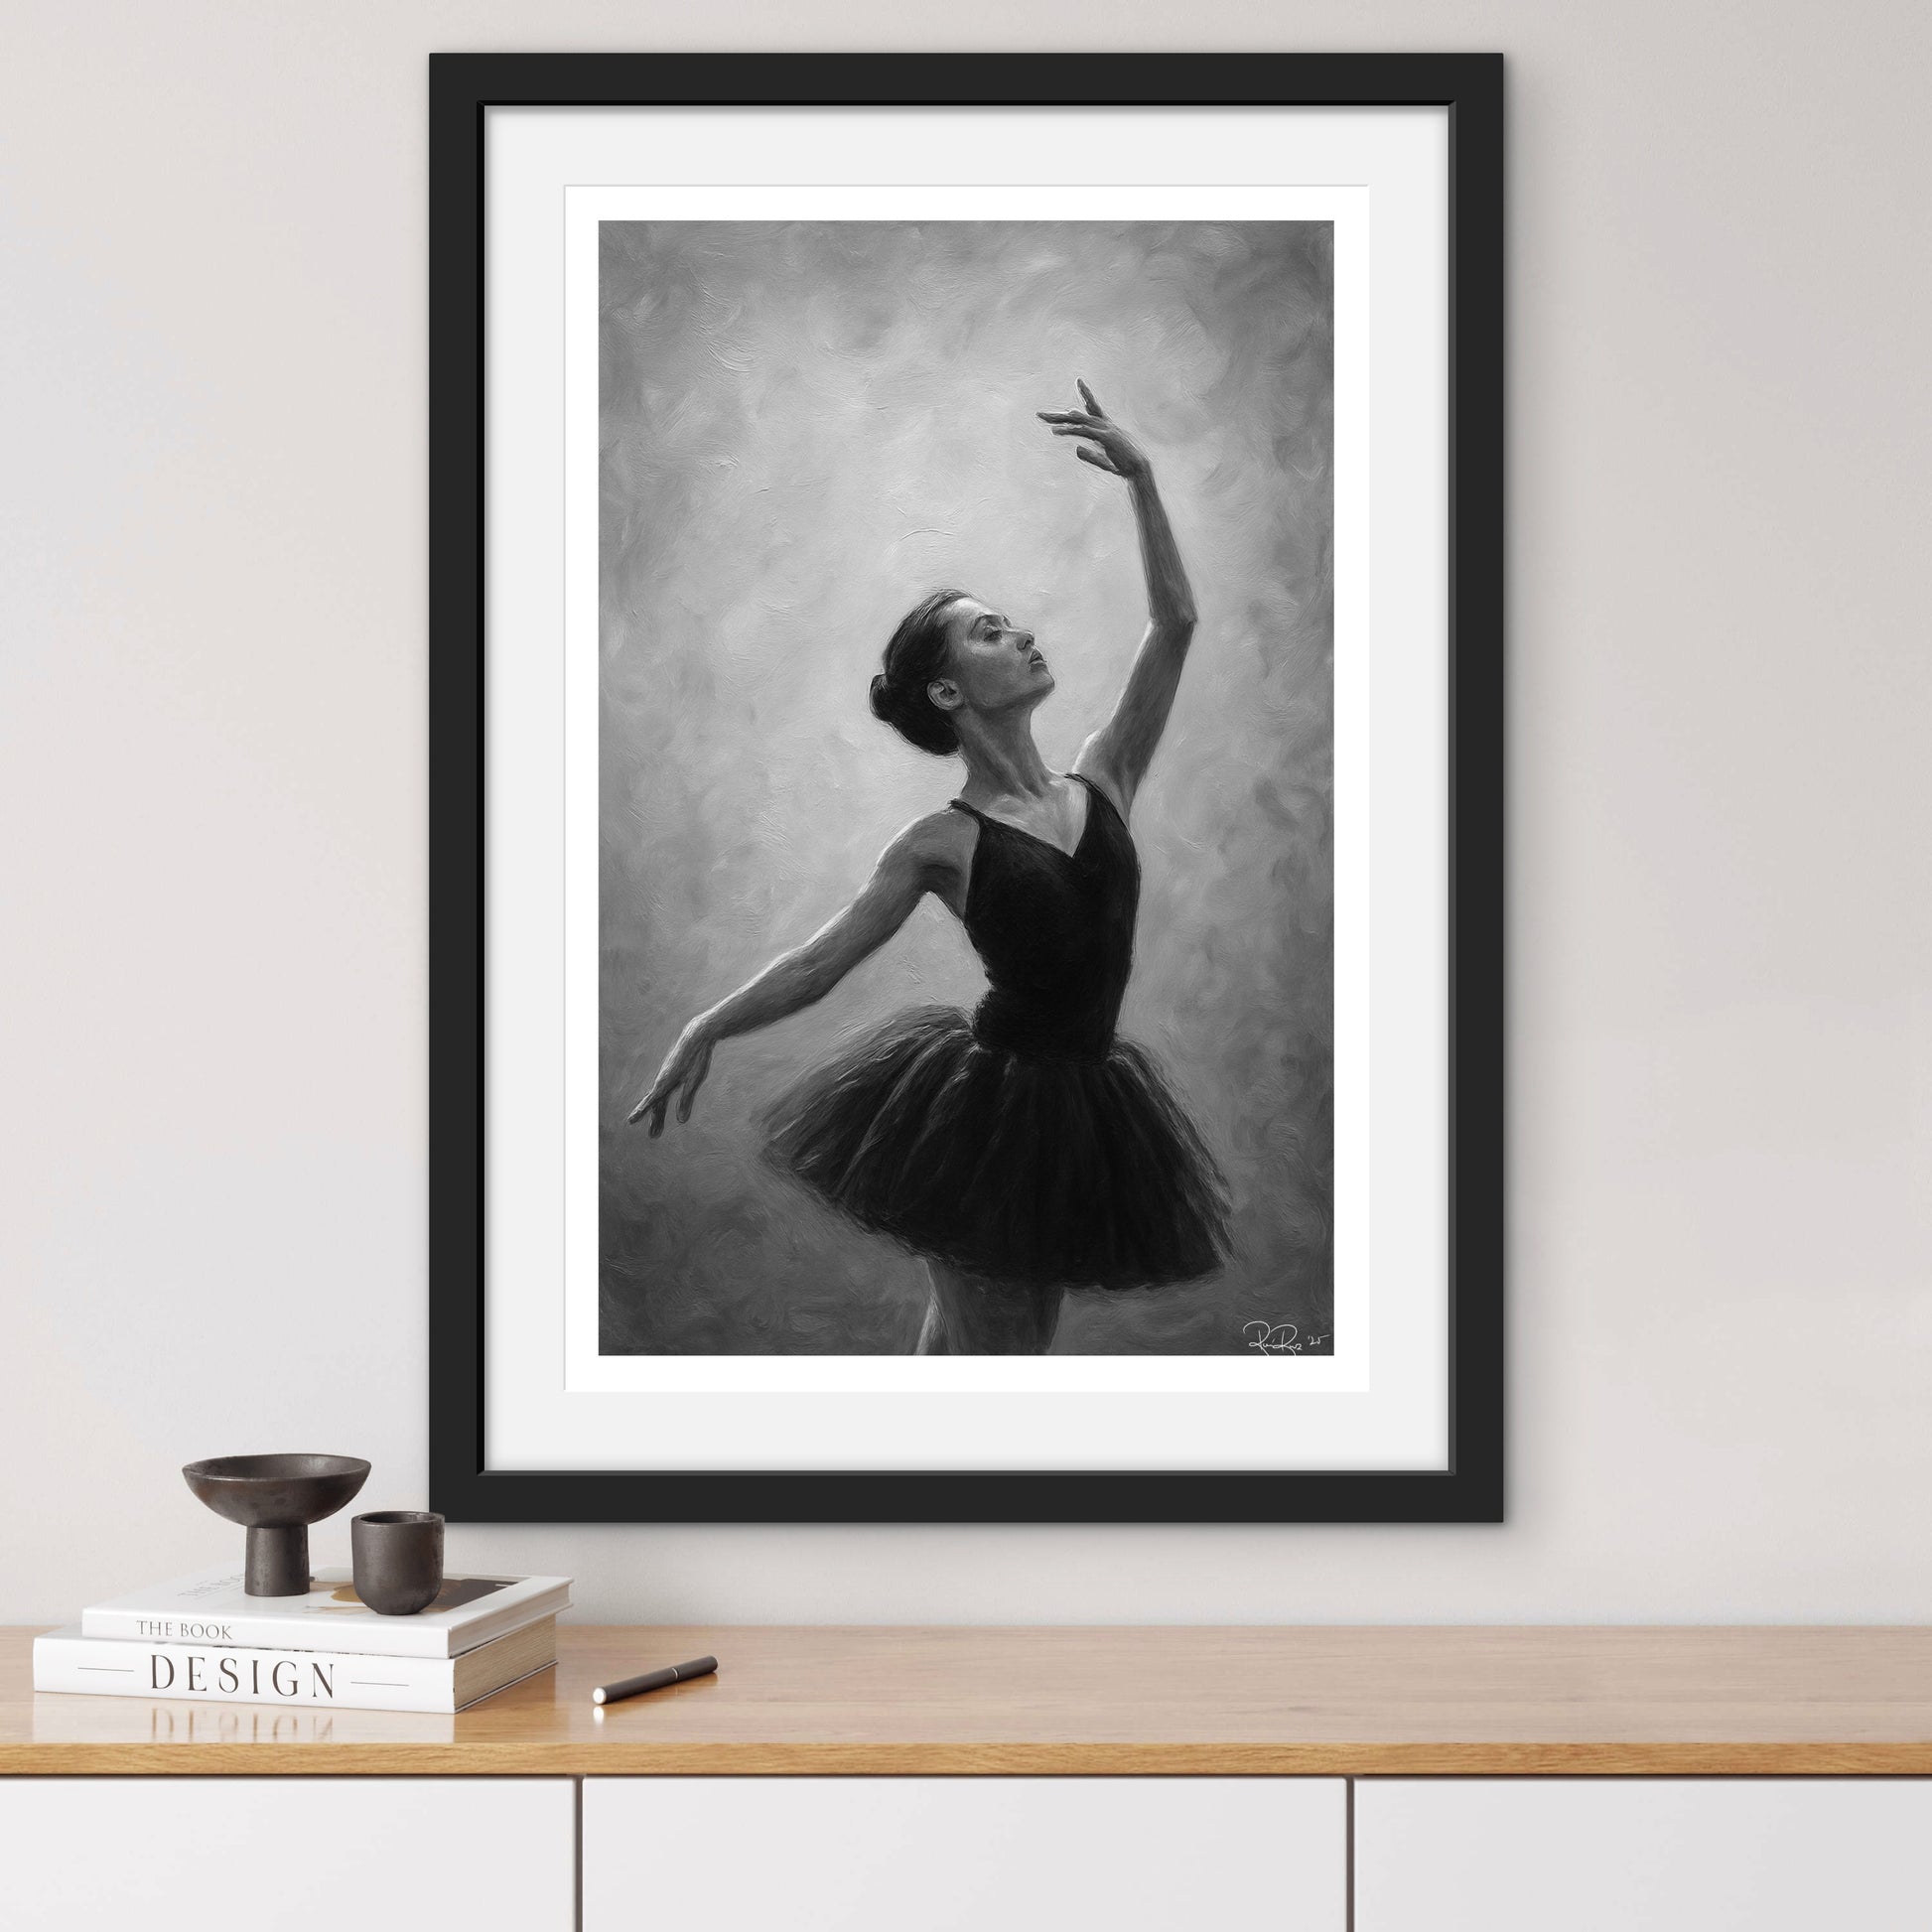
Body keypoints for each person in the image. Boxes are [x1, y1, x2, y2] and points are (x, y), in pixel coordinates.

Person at [629, 380, 1231, 1353]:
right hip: (986, 1118)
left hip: (1082, 1114)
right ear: (948, 688)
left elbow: (1175, 626)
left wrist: (1143, 481)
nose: (1022, 633)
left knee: (980, 1348)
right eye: (990, 630)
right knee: (995, 1354)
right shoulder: (938, 844)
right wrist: (707, 1024)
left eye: (1012, 621)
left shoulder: (1105, 775)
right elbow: (817, 964)